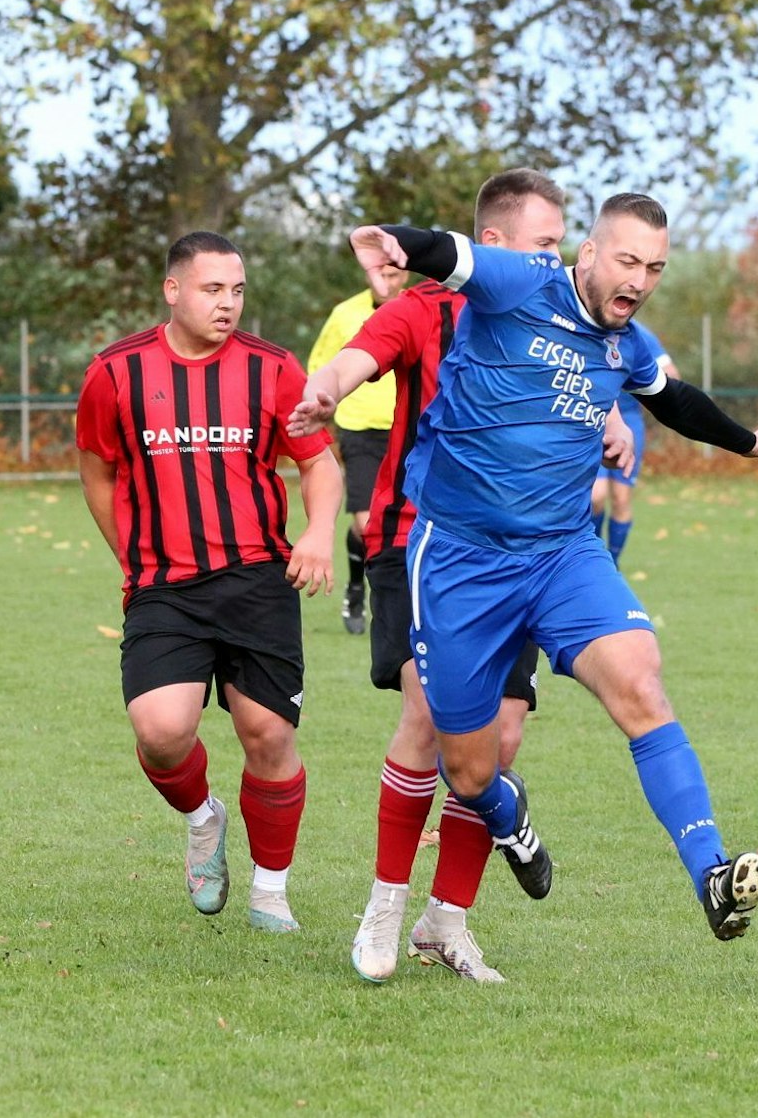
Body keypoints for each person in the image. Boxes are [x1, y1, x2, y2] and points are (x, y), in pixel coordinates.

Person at [343, 192, 758, 943]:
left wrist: (751, 442)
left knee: (641, 680)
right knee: (468, 772)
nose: (641, 278)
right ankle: (505, 812)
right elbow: (449, 253)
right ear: (588, 254)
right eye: (627, 260)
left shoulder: (627, 343)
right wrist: (396, 242)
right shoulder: (525, 282)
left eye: (655, 267)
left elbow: (675, 400)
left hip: (562, 553)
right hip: (461, 560)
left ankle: (712, 872)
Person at [292, 169, 632, 982]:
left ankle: (447, 923)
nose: (561, 261)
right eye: (548, 246)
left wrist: (614, 419)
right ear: (495, 247)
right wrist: (325, 390)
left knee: (499, 740)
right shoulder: (426, 307)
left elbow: (598, 380)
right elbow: (360, 359)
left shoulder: (563, 320)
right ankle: (384, 906)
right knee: (429, 721)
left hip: (525, 554)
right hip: (421, 543)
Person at [75, 231, 343, 932]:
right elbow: (97, 473)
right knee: (162, 731)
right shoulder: (114, 373)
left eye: (237, 290)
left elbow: (319, 462)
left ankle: (271, 891)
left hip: (259, 579)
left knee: (267, 737)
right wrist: (131, 557)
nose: (227, 304)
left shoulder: (273, 370)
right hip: (165, 586)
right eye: (211, 289)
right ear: (173, 290)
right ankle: (202, 819)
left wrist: (316, 533)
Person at [306, 267, 409, 635]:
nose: (387, 278)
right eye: (380, 270)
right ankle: (357, 590)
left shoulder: (416, 310)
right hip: (359, 427)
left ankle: (401, 601)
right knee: (367, 524)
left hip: (407, 429)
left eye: (394, 271)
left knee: (405, 525)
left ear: (406, 273)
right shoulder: (345, 314)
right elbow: (320, 365)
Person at [589, 326, 680, 565]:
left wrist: (644, 388)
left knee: (620, 498)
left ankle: (613, 564)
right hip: (595, 418)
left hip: (629, 423)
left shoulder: (639, 335)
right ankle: (595, 558)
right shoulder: (585, 328)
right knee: (595, 496)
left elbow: (672, 377)